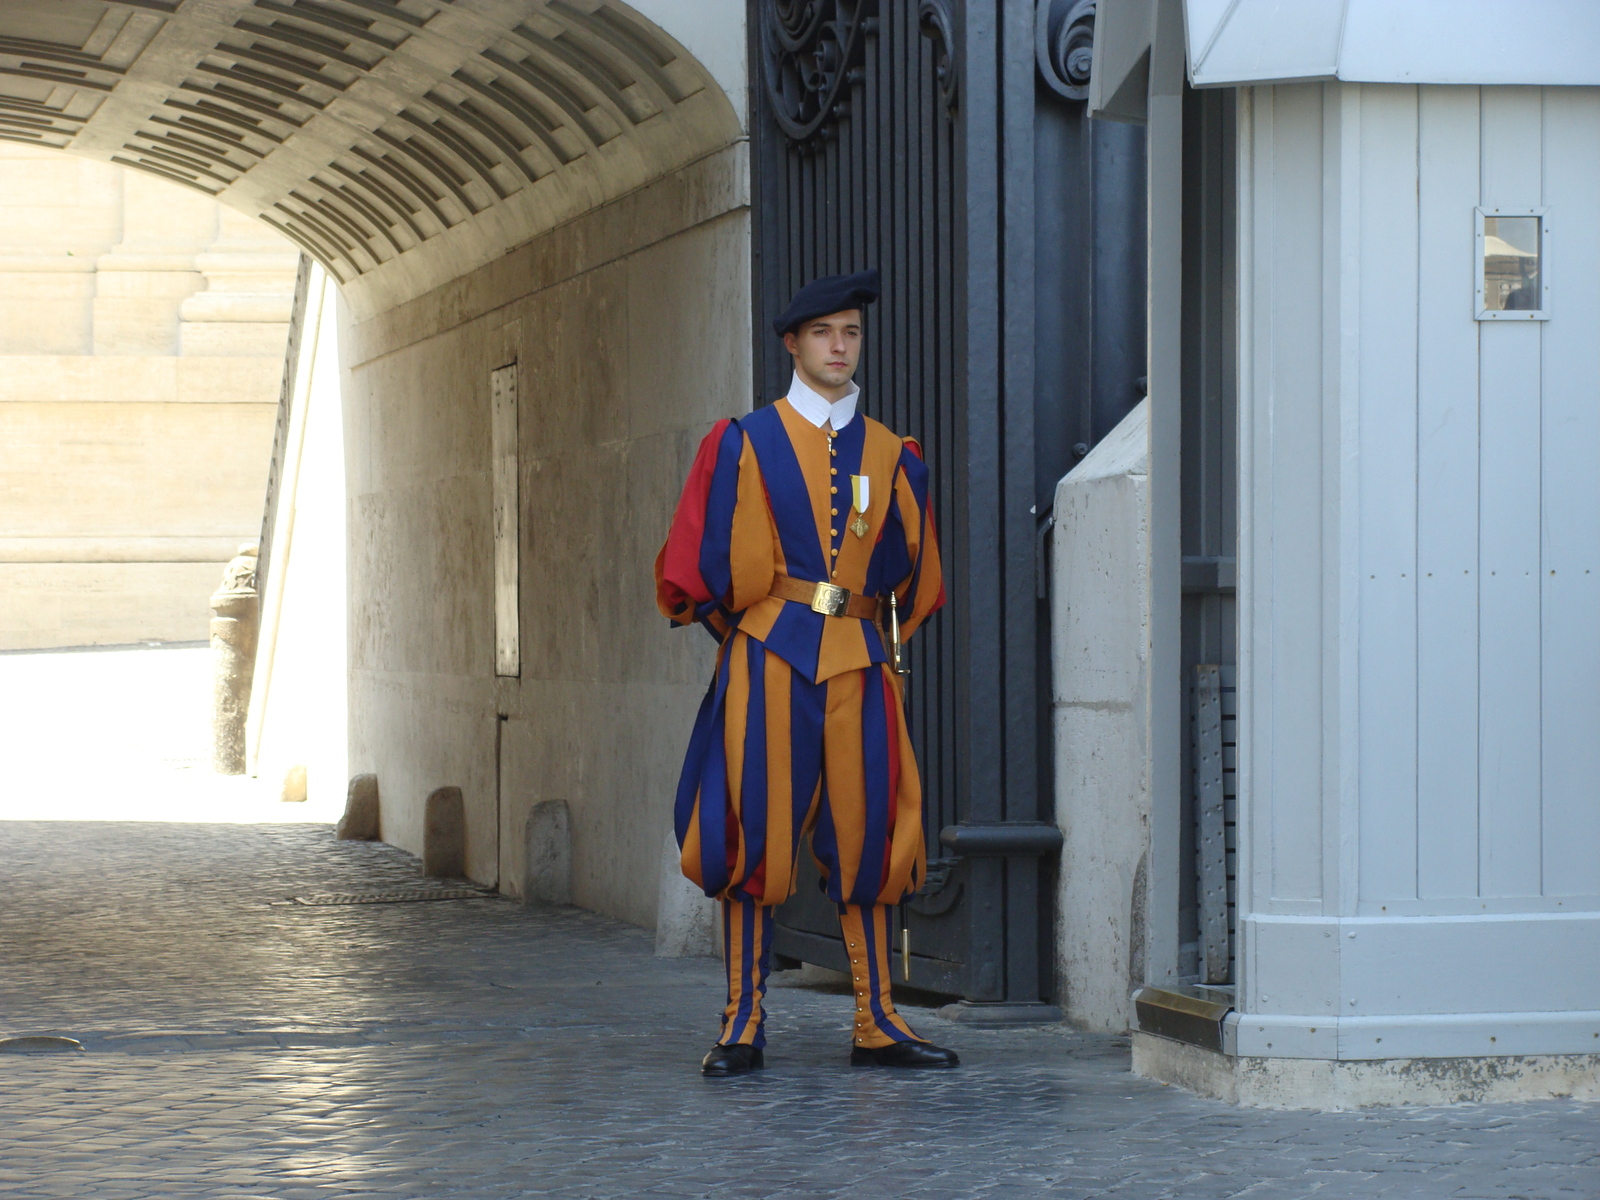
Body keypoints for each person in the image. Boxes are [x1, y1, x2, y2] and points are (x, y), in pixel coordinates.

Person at [656, 269, 960, 1076]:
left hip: (859, 657)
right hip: (769, 656)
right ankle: (741, 1020)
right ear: (793, 344)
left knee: (870, 840)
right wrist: (749, 636)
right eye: (824, 333)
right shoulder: (744, 440)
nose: (839, 346)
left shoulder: (894, 453)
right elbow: (697, 566)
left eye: (851, 334)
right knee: (753, 833)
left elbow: (916, 579)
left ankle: (876, 1018)